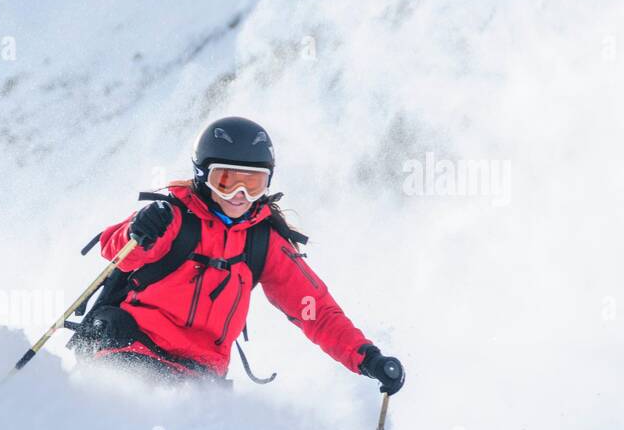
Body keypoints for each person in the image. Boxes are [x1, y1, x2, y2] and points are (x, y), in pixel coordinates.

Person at [71, 116, 404, 395]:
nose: (239, 195)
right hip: (130, 349)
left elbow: (315, 310)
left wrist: (367, 359)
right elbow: (118, 252)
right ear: (203, 174)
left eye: (254, 183)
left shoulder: (262, 241)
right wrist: (137, 230)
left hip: (198, 374)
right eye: (226, 181)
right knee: (142, 407)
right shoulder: (173, 218)